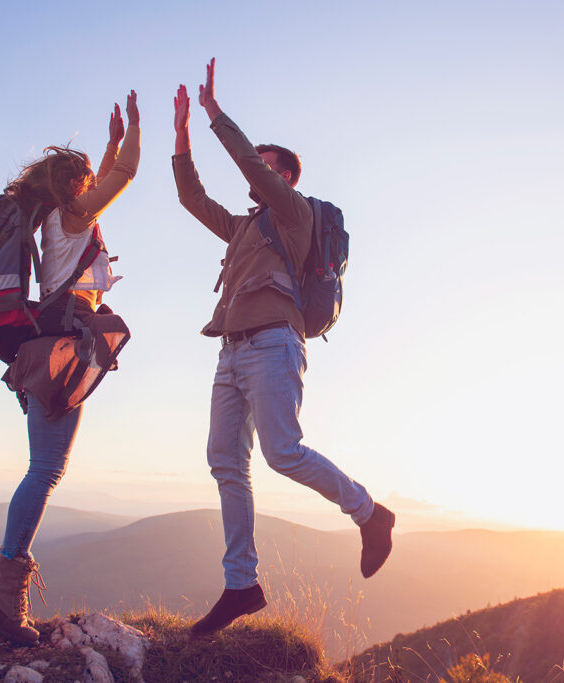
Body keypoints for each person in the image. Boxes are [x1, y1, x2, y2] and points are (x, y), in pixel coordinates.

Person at [172, 59, 395, 638]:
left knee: (283, 452)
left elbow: (249, 162)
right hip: (231, 349)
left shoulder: (293, 216)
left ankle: (370, 514)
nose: (258, 174)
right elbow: (193, 200)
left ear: (286, 178)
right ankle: (241, 585)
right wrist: (180, 139)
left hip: (274, 343)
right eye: (260, 165)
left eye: (269, 168)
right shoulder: (247, 229)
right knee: (226, 463)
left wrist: (216, 115)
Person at [0, 92, 140, 645]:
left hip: (48, 345)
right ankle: (4, 587)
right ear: (73, 188)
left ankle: (4, 585)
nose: (94, 189)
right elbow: (127, 175)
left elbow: (112, 172)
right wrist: (135, 130)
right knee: (45, 469)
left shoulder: (55, 219)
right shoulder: (72, 218)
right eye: (86, 181)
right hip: (59, 351)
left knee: (44, 466)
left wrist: (110, 142)